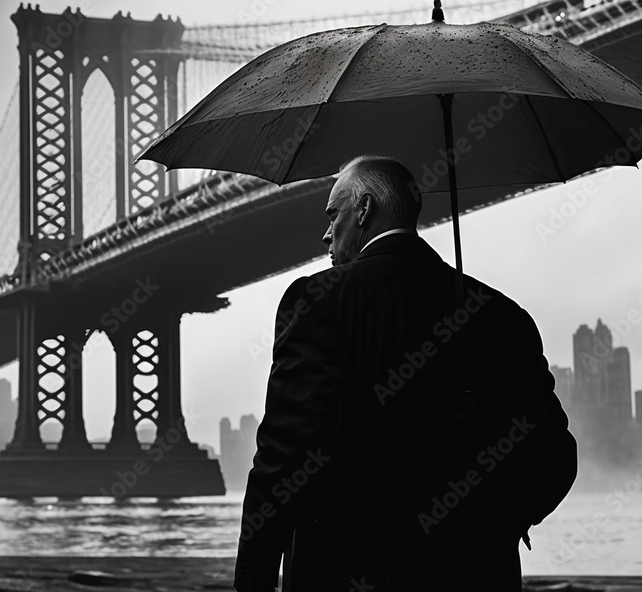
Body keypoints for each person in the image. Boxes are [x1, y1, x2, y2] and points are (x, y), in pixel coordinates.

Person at [233, 156, 577, 592]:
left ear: (364, 209)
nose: (325, 233)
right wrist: (498, 524)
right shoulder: (503, 316)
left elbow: (284, 458)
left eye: (332, 214)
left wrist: (253, 581)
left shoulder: (318, 302)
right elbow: (554, 454)